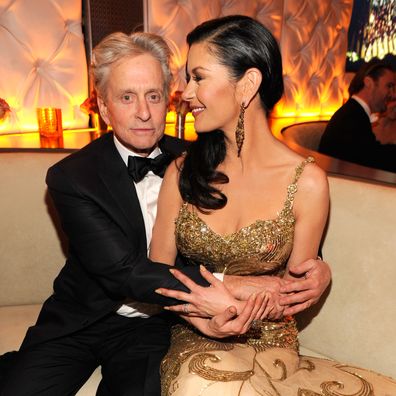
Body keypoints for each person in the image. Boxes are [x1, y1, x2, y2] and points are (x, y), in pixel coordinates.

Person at [0, 31, 329, 396]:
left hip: (159, 322)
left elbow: (270, 215)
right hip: (83, 318)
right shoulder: (72, 176)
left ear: (168, 102)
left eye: (153, 96)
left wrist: (318, 268)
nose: (143, 112)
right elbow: (125, 272)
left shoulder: (196, 161)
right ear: (104, 107)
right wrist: (232, 284)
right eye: (127, 97)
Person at [148, 15, 396, 395]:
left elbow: (293, 294)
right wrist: (220, 296)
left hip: (270, 342)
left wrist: (311, 276)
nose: (185, 92)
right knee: (202, 386)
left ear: (247, 84)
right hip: (197, 331)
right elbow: (157, 276)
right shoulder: (182, 171)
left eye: (198, 77)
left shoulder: (307, 182)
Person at [319, 59, 396, 173]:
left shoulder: (354, 112)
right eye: (389, 86)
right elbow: (372, 159)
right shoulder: (351, 117)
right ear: (368, 82)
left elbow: (370, 152)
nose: (393, 94)